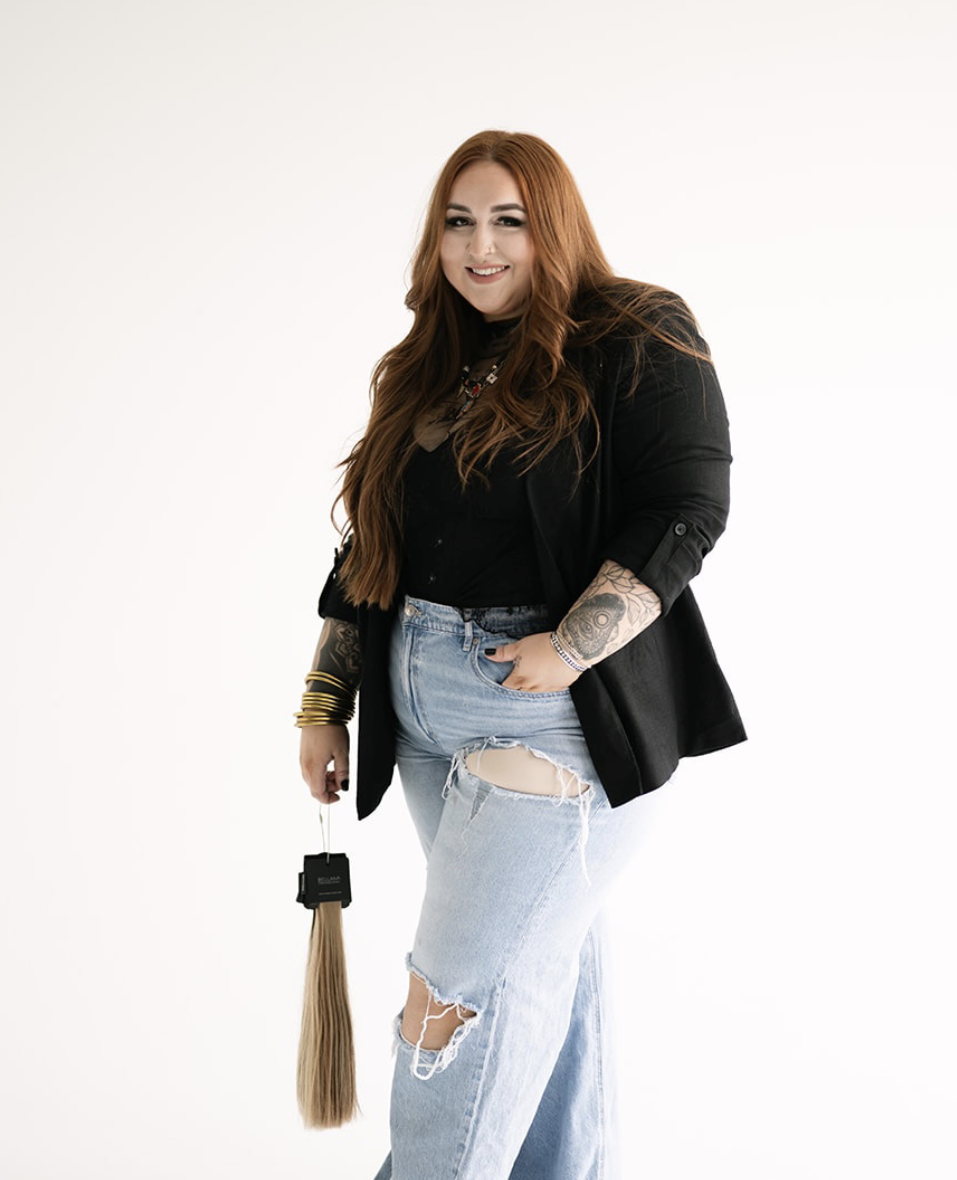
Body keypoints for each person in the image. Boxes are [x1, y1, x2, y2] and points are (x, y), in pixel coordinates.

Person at [297, 129, 745, 1180]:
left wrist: (572, 646)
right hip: (419, 710)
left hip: (547, 716)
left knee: (453, 1002)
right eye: (458, 222)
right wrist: (325, 697)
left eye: (509, 220)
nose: (480, 246)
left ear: (556, 224)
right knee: (539, 970)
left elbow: (688, 508)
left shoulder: (636, 331)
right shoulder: (430, 364)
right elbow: (370, 548)